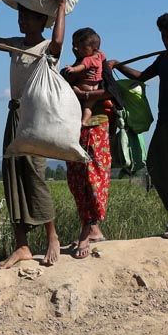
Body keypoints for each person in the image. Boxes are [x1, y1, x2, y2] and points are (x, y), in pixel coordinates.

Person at [0, 0, 67, 268]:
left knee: (34, 175)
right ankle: (22, 245)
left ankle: (53, 236)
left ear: (43, 20)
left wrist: (61, 6)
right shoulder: (15, 44)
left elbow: (59, 41)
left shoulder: (46, 48)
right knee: (12, 177)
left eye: (29, 17)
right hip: (13, 115)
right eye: (21, 17)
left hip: (34, 117)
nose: (23, 21)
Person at [110, 12, 168, 239]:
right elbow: (141, 76)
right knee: (154, 164)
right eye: (163, 36)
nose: (166, 40)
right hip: (164, 120)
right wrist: (118, 65)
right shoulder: (163, 59)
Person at [63, 28, 114, 259]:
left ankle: (88, 229)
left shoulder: (99, 65)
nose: (74, 48)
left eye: (78, 44)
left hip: (97, 126)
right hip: (75, 127)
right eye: (73, 43)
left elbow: (111, 91)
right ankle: (92, 228)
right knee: (76, 178)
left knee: (93, 177)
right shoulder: (72, 69)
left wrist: (87, 96)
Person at [62, 29, 106, 126]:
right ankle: (84, 121)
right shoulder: (99, 57)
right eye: (74, 45)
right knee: (88, 107)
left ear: (93, 49)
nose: (76, 49)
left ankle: (83, 122)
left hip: (98, 120)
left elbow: (111, 92)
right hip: (94, 89)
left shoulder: (87, 60)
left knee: (87, 107)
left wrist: (83, 94)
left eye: (80, 46)